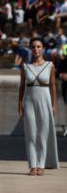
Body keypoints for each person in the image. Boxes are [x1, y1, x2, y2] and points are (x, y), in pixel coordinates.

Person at [18, 38, 59, 176]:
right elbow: (22, 86)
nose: (36, 49)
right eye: (33, 46)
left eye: (38, 46)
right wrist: (20, 103)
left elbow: (53, 86)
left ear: (43, 48)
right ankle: (33, 165)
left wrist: (54, 104)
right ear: (30, 48)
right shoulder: (25, 66)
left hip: (45, 100)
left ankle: (41, 165)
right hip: (29, 100)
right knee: (31, 133)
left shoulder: (50, 65)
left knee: (42, 134)